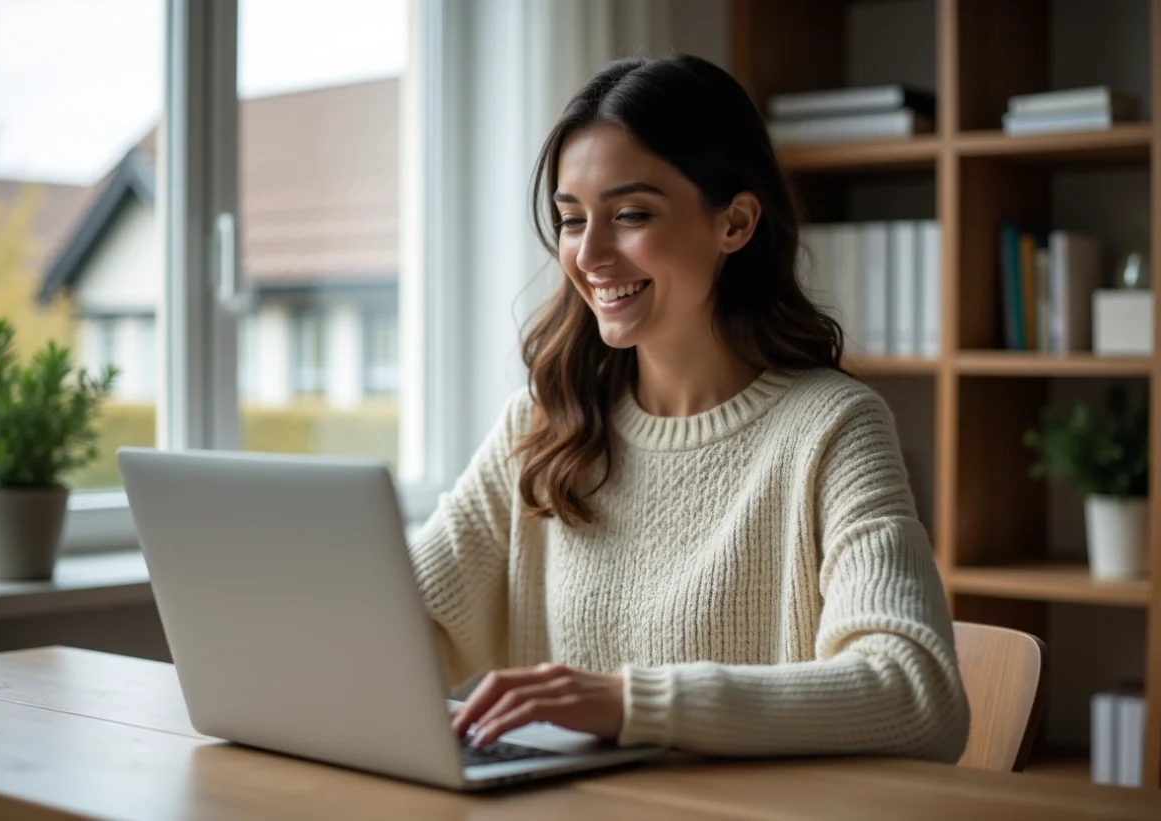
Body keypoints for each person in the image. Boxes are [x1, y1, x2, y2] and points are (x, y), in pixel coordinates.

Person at [408, 53, 970, 762]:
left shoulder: (832, 427)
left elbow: (918, 694)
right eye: (573, 219)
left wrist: (630, 703)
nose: (590, 254)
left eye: (631, 214)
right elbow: (402, 624)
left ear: (734, 222)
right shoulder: (544, 420)